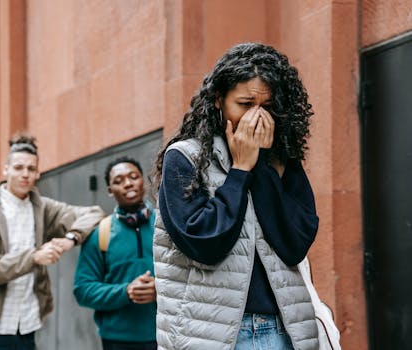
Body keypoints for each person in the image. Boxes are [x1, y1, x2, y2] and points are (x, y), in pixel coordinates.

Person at [150, 43, 320, 350]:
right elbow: (205, 244)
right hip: (212, 336)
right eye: (245, 104)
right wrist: (240, 170)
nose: (256, 117)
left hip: (282, 329)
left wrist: (263, 166)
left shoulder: (283, 160)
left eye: (267, 107)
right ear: (219, 100)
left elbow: (295, 245)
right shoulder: (186, 158)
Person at [0, 132, 105, 350]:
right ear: (6, 170)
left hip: (27, 324)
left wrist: (69, 239)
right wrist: (35, 257)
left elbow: (94, 213)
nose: (25, 174)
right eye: (18, 168)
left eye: (31, 169)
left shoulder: (42, 207)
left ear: (38, 173)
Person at [73, 156, 157, 350]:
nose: (128, 184)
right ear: (110, 191)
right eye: (118, 181)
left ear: (143, 180)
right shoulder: (100, 233)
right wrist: (125, 291)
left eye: (133, 176)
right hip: (117, 341)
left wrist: (160, 290)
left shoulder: (165, 227)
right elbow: (83, 290)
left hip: (165, 334)